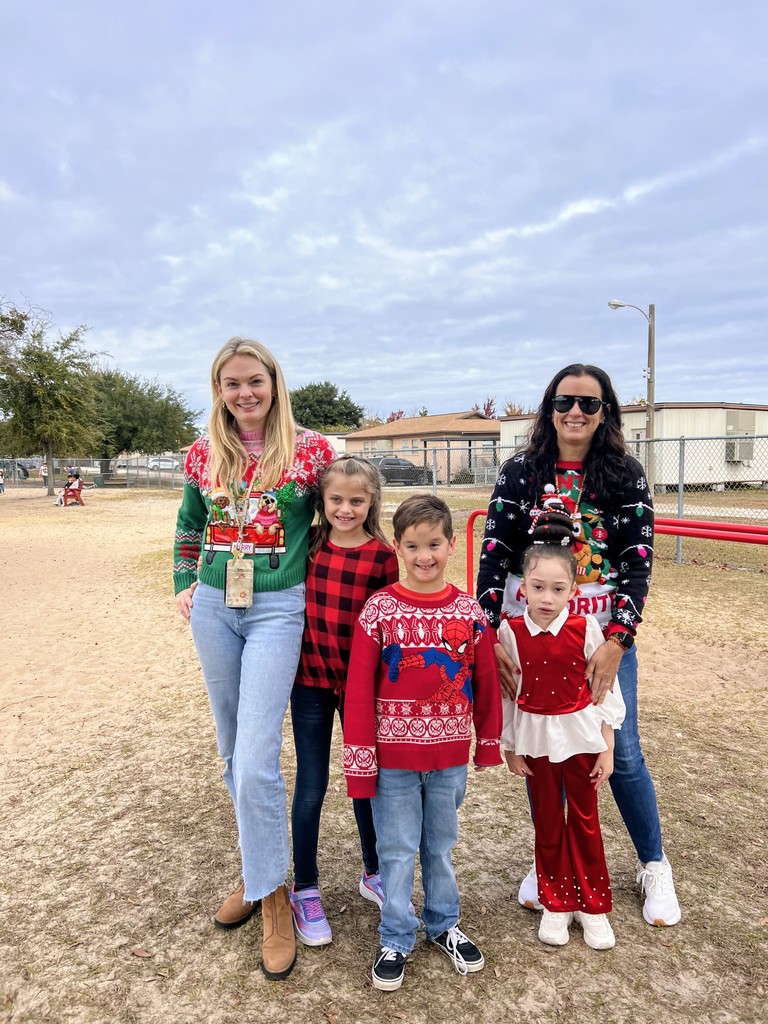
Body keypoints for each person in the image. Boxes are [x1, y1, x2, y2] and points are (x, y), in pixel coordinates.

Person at [477, 362, 681, 927]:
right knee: (546, 748)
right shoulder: (521, 470)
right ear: (549, 407)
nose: (575, 412)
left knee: (622, 753)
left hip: (598, 636)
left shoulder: (624, 474)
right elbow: (495, 551)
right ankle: (554, 867)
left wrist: (619, 641)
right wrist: (490, 631)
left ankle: (653, 864)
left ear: (606, 412)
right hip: (531, 634)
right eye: (565, 401)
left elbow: (637, 562)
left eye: (589, 404)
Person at [173, 337, 335, 981]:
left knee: (259, 754)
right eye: (231, 383)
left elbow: (335, 521)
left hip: (278, 608)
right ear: (218, 389)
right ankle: (258, 869)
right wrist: (185, 581)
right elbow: (188, 524)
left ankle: (274, 900)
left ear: (275, 382)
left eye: (254, 381)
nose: (244, 393)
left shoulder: (311, 451)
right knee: (232, 750)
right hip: (215, 606)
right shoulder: (201, 452)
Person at [344, 495, 502, 992]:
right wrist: (360, 761)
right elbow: (357, 690)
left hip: (449, 757)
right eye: (413, 546)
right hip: (393, 759)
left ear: (452, 545)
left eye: (434, 544)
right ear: (398, 547)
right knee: (395, 848)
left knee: (440, 846)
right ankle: (395, 933)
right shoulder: (380, 610)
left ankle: (443, 923)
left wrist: (489, 742)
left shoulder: (468, 610)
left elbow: (487, 680)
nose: (424, 555)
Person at [500, 511, 626, 950]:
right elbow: (507, 696)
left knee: (586, 822)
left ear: (574, 591)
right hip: (535, 742)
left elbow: (604, 692)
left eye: (558, 589)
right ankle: (556, 903)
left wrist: (607, 748)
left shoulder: (585, 627)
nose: (547, 597)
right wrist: (511, 748)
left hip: (581, 740)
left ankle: (593, 908)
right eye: (537, 588)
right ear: (522, 589)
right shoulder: (510, 632)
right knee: (549, 824)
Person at [289, 454, 399, 947]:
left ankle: (373, 871)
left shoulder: (383, 557)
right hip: (309, 682)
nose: (346, 508)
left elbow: (392, 625)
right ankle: (305, 887)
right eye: (336, 499)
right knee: (311, 787)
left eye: (357, 500)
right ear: (322, 500)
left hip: (361, 691)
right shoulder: (307, 544)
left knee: (365, 784)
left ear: (371, 500)